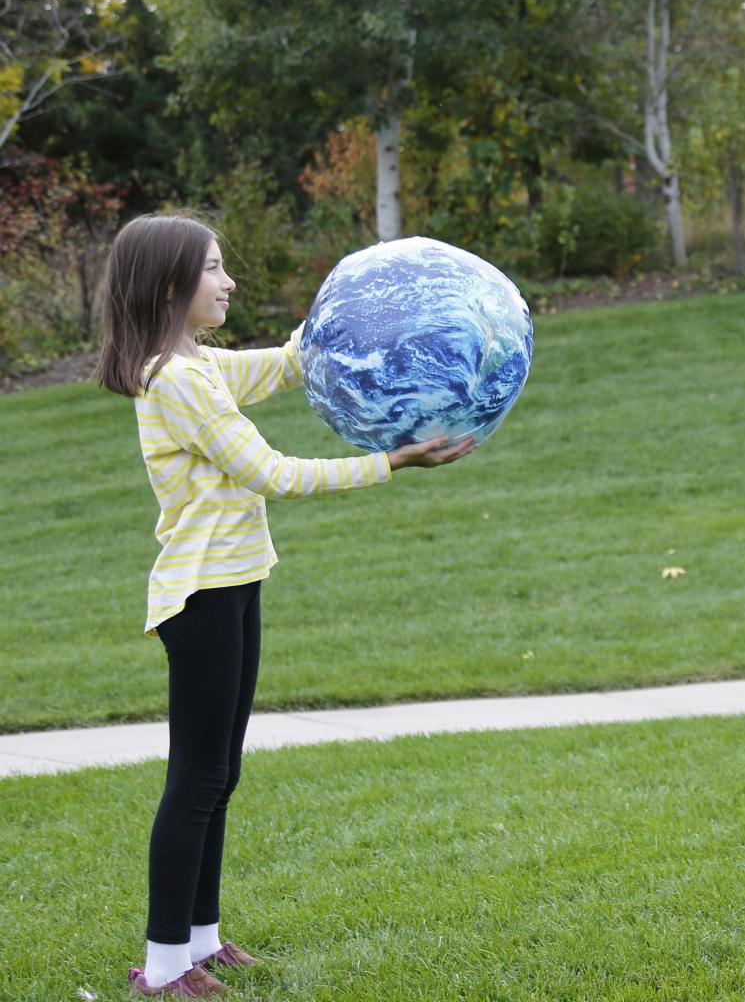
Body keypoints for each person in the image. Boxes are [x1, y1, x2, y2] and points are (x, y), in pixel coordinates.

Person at [96, 214, 477, 996]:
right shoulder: (175, 381)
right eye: (212, 269)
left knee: (220, 772)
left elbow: (279, 366)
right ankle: (164, 968)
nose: (228, 281)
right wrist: (391, 462)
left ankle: (201, 942)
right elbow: (273, 472)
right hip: (199, 596)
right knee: (196, 777)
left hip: (235, 583)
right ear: (171, 285)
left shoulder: (196, 364)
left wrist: (353, 312)